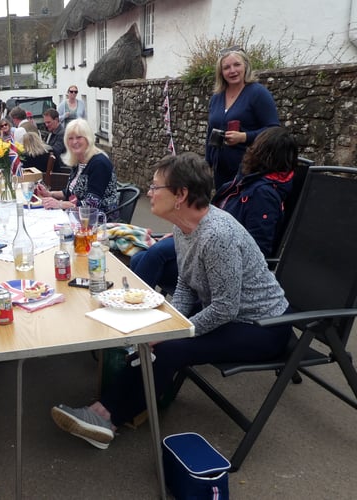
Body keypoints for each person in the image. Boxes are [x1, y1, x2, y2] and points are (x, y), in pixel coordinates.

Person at [51, 152, 293, 449]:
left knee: (168, 349)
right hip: (231, 315)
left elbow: (225, 307)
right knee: (152, 336)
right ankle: (103, 410)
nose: (149, 193)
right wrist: (169, 321)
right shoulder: (183, 227)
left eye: (155, 187)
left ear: (181, 194)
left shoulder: (217, 235)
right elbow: (186, 282)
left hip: (263, 326)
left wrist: (174, 331)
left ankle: (109, 419)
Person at [130, 126, 299, 292]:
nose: (249, 150)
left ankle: (136, 309)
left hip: (220, 258)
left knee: (153, 256)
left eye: (254, 147)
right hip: (202, 239)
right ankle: (139, 307)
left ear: (261, 153)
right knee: (141, 258)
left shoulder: (263, 194)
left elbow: (258, 248)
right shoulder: (245, 182)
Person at [206, 46, 279, 190]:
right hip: (221, 171)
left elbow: (274, 130)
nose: (232, 71)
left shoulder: (258, 93)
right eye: (226, 67)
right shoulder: (217, 97)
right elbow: (210, 132)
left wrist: (244, 137)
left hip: (249, 170)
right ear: (221, 72)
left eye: (237, 65)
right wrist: (207, 164)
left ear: (245, 66)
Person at [34, 119, 119, 214]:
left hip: (100, 220)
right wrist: (49, 194)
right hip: (78, 216)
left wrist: (59, 204)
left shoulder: (99, 163)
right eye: (70, 138)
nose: (74, 142)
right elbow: (69, 192)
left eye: (79, 137)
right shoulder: (79, 161)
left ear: (88, 139)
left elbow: (91, 205)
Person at [43, 108, 66, 173]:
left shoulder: (62, 134)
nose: (46, 125)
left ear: (56, 120)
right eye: (45, 123)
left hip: (61, 170)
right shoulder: (50, 133)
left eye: (48, 122)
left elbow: (55, 151)